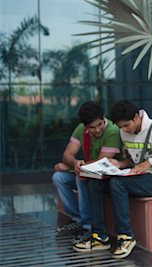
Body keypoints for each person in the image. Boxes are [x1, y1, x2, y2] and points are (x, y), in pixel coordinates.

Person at [73, 100, 152, 259]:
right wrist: (118, 164)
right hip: (134, 175)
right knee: (94, 181)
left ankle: (126, 237)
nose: (124, 130)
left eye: (126, 125)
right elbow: (130, 160)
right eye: (121, 127)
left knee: (117, 184)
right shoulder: (124, 132)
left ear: (137, 117)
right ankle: (99, 237)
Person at [52, 101, 122, 238]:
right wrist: (75, 163)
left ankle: (88, 226)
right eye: (92, 127)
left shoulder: (112, 131)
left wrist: (71, 166)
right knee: (58, 177)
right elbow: (67, 155)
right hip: (89, 173)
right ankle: (78, 219)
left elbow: (102, 162)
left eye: (99, 125)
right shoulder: (80, 129)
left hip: (107, 177)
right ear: (85, 126)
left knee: (81, 176)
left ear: (103, 119)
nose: (96, 130)